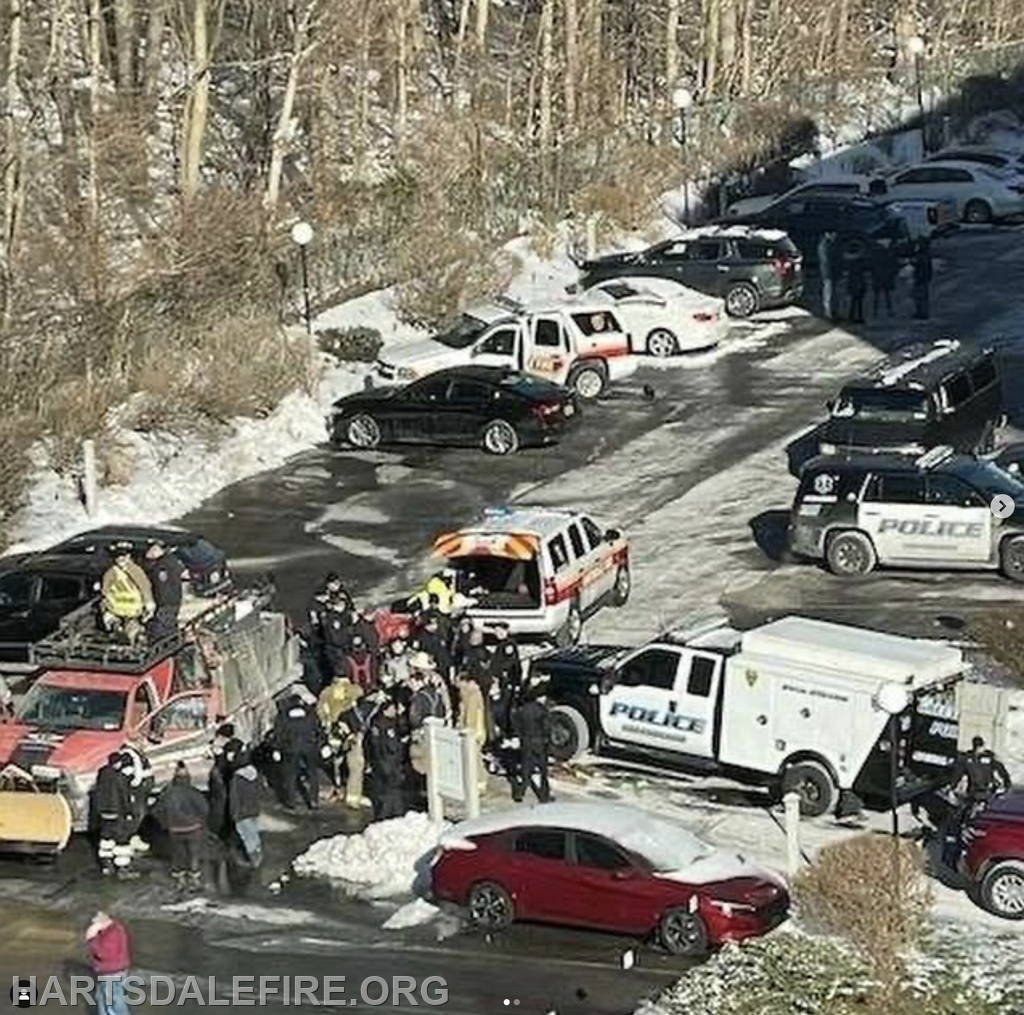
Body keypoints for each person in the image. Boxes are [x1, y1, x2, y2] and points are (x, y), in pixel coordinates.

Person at [941, 736, 1011, 868]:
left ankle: (965, 849)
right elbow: (1003, 773)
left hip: (978, 796)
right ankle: (971, 845)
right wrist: (1006, 786)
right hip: (982, 796)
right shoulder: (984, 759)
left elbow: (957, 775)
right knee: (977, 821)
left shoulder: (972, 759)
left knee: (969, 821)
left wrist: (952, 787)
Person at [152, 761, 209, 891]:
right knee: (193, 855)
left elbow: (156, 810)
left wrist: (166, 823)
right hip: (193, 828)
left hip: (175, 830)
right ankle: (195, 881)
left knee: (179, 855)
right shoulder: (194, 792)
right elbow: (204, 809)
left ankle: (180, 881)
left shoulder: (167, 793)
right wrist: (199, 821)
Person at [274, 692, 322, 810]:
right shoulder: (310, 713)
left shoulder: (283, 715)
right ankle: (314, 799)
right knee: (312, 773)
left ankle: (291, 801)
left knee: (290, 775)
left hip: (291, 748)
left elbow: (279, 734)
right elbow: (317, 729)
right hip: (309, 747)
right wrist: (319, 744)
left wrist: (278, 748)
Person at [365, 696, 408, 820]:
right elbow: (391, 743)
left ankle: (387, 811)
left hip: (380, 760)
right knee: (391, 788)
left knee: (385, 788)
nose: (394, 711)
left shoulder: (377, 723)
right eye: (392, 709)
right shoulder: (386, 724)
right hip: (388, 760)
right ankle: (391, 812)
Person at [101, 545, 154, 646]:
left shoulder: (135, 570)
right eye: (118, 556)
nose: (120, 559)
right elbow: (105, 592)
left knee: (132, 633)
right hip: (118, 610)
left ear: (128, 556)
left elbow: (144, 586)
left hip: (132, 612)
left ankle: (133, 645)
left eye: (123, 556)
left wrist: (149, 602)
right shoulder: (111, 572)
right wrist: (106, 609)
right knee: (121, 634)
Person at [93, 752, 133, 878]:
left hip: (103, 813)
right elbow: (124, 796)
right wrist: (129, 812)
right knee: (122, 841)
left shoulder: (102, 774)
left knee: (106, 840)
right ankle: (122, 869)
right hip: (117, 812)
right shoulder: (120, 777)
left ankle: (106, 866)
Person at [85, 912, 133, 1015]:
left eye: (94, 924)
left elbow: (102, 954)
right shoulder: (114, 929)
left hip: (111, 973)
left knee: (113, 1000)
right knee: (103, 998)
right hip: (112, 971)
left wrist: (92, 938)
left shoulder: (112, 934)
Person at [511, 691, 552, 803]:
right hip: (539, 742)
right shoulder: (541, 710)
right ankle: (544, 796)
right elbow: (547, 727)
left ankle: (520, 793)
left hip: (526, 742)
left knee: (526, 769)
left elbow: (515, 726)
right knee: (543, 771)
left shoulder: (520, 711)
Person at [142, 541, 185, 642]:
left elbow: (162, 585)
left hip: (165, 602)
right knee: (168, 626)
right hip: (172, 601)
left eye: (151, 549)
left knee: (162, 630)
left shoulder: (162, 566)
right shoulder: (172, 562)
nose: (148, 552)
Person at [456, 671, 488, 794]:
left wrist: (467, 730)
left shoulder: (473, 695)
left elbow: (472, 716)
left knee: (475, 758)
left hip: (474, 732)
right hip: (473, 731)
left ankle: (480, 783)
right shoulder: (467, 694)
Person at [229, 751, 263, 867]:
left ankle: (254, 862)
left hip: (242, 812)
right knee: (254, 833)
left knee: (247, 837)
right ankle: (258, 855)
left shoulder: (237, 777)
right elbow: (260, 791)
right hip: (254, 809)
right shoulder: (256, 774)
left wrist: (234, 813)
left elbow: (234, 797)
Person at [870, 241, 899, 317]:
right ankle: (890, 311)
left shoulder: (875, 257)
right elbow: (894, 267)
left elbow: (872, 268)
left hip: (878, 278)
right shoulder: (888, 256)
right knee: (887, 296)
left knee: (877, 296)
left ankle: (875, 312)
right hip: (886, 278)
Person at [817, 231, 837, 321]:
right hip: (827, 273)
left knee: (829, 293)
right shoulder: (825, 246)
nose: (835, 237)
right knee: (828, 293)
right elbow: (826, 261)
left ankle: (829, 311)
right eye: (833, 235)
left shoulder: (826, 244)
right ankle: (828, 313)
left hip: (827, 273)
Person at [911, 238, 933, 319]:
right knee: (922, 296)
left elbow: (921, 266)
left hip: (921, 278)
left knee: (920, 296)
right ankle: (923, 312)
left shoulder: (922, 255)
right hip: (923, 278)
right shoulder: (926, 255)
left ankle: (922, 313)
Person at [846, 253, 868, 324]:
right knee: (858, 303)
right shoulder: (858, 268)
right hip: (858, 286)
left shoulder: (851, 268)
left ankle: (852, 317)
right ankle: (858, 316)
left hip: (854, 286)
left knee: (854, 303)